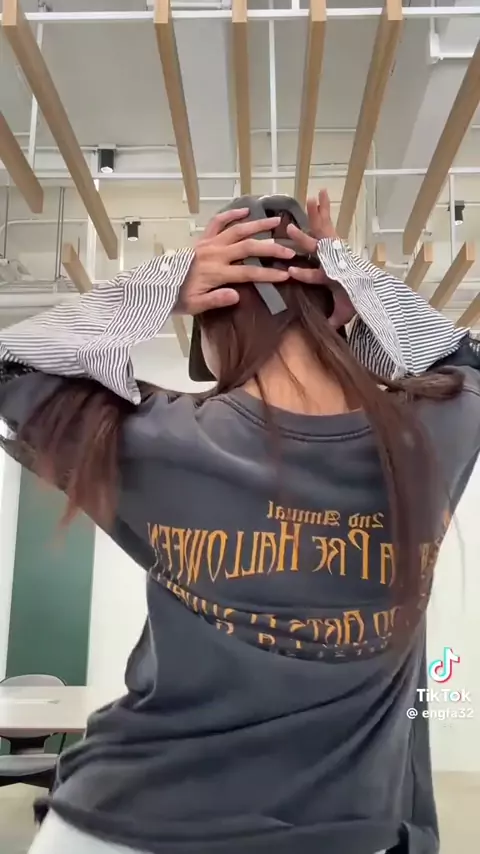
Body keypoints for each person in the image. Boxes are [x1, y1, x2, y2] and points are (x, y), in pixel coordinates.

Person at [0, 190, 478, 854]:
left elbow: (12, 363)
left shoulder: (159, 438)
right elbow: (463, 356)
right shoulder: (430, 436)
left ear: (212, 325)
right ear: (336, 310)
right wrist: (356, 280)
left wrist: (165, 284)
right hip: (344, 832)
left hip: (123, 824)